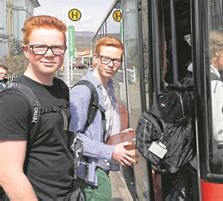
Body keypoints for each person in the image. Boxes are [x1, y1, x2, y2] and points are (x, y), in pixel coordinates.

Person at [0, 15, 75, 199]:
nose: (49, 54)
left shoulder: (61, 88)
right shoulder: (14, 100)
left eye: (57, 48)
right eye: (40, 47)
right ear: (26, 50)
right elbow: (8, 175)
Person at [69, 36, 136, 200]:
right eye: (106, 59)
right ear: (96, 59)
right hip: (89, 172)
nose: (111, 64)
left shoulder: (109, 88)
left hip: (101, 165)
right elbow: (72, 138)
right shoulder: (82, 92)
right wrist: (111, 151)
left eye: (116, 60)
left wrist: (118, 137)